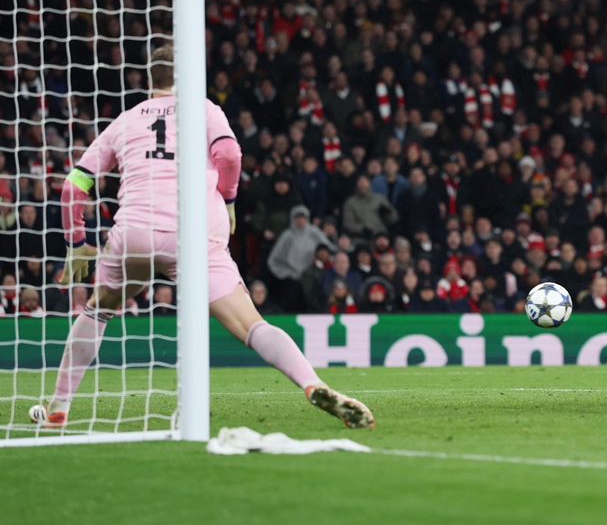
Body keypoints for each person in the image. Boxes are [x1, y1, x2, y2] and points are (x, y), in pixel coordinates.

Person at [38, 45, 373, 430]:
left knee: (97, 311)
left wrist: (76, 241)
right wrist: (229, 199)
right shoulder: (205, 108)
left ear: (151, 79)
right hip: (197, 236)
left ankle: (58, 407)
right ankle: (313, 383)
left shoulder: (125, 121)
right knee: (252, 325)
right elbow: (229, 154)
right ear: (186, 75)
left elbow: (74, 185)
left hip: (135, 234)